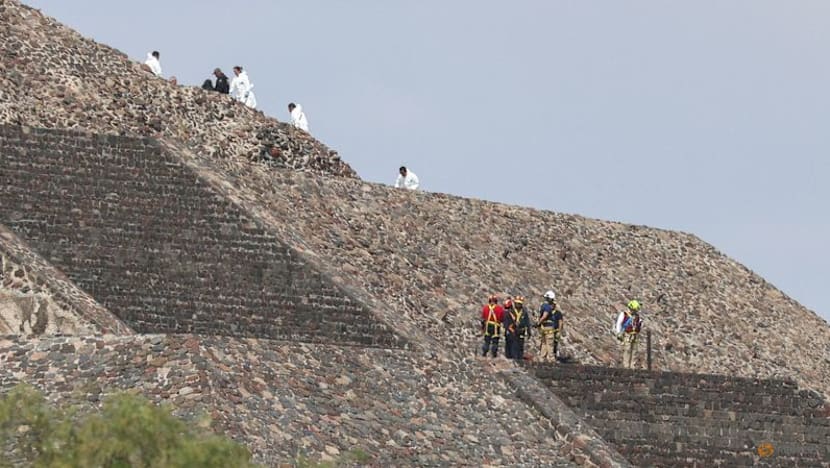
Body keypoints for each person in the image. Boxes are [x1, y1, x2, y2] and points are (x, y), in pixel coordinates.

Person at [615, 300, 644, 369]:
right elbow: (619, 324)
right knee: (627, 350)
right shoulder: (624, 314)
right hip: (627, 334)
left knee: (634, 350)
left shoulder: (637, 316)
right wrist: (618, 332)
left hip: (634, 335)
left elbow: (639, 324)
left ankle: (632, 365)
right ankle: (626, 365)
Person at [537, 290, 563, 363]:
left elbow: (544, 316)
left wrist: (538, 323)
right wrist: (539, 322)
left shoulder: (544, 306)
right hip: (548, 328)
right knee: (549, 343)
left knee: (545, 343)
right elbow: (544, 316)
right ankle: (550, 359)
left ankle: (542, 358)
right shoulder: (547, 307)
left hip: (544, 327)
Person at [504, 296, 531, 360]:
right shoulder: (511, 312)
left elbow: (527, 322)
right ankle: (514, 358)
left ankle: (520, 358)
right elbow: (507, 322)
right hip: (513, 331)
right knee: (513, 346)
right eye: (517, 303)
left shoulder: (524, 312)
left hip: (521, 331)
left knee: (520, 346)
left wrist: (529, 331)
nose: (518, 305)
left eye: (519, 303)